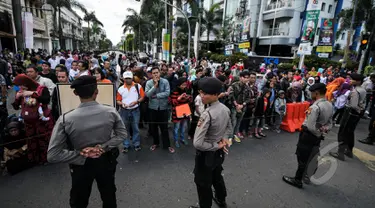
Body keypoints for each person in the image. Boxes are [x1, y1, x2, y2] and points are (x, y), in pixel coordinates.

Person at [47, 75, 127, 208]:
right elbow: (122, 134)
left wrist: (81, 154)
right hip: (105, 160)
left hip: (80, 166)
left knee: (79, 200)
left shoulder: (66, 119)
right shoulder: (111, 112)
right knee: (109, 197)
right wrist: (103, 147)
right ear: (96, 91)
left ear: (75, 93)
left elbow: (53, 155)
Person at [189, 77, 232, 208]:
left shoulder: (207, 114)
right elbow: (229, 128)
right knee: (217, 176)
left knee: (203, 183)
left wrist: (215, 145)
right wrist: (224, 140)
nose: (201, 96)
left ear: (215, 95)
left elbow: (197, 143)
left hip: (206, 154)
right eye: (200, 92)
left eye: (205, 93)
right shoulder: (225, 109)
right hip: (219, 153)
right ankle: (221, 199)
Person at [283, 83, 333, 188]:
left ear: (316, 93)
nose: (310, 95)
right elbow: (330, 123)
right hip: (318, 136)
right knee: (313, 156)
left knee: (302, 157)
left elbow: (310, 127)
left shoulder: (315, 107)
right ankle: (307, 176)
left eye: (311, 93)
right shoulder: (329, 104)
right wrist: (323, 131)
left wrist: (317, 133)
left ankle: (298, 180)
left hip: (309, 135)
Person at [12, 74, 54, 165]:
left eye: (21, 85)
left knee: (43, 139)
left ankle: (46, 158)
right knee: (32, 141)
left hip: (42, 121)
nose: (20, 87)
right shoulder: (21, 92)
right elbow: (16, 107)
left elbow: (46, 100)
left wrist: (33, 94)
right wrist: (17, 98)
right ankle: (35, 159)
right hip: (29, 123)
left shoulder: (42, 88)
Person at [330, 74, 366, 161]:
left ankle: (340, 152)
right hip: (356, 114)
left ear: (358, 81)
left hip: (350, 113)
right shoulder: (362, 90)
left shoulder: (355, 91)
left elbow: (353, 105)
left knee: (343, 132)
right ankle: (349, 151)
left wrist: (357, 109)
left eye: (352, 80)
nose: (350, 81)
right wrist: (360, 110)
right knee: (350, 132)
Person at [145, 66, 175, 153]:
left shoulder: (165, 81)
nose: (155, 75)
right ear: (151, 74)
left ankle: (167, 145)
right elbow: (147, 95)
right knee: (154, 127)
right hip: (152, 108)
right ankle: (155, 143)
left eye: (157, 73)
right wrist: (154, 86)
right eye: (154, 73)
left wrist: (156, 96)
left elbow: (167, 93)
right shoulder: (149, 83)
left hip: (163, 107)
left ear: (160, 73)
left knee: (164, 127)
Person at [117, 71, 145, 153]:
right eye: (126, 78)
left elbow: (142, 96)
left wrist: (136, 102)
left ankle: (136, 144)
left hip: (135, 110)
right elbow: (118, 100)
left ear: (132, 78)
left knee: (135, 127)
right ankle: (126, 145)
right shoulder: (121, 89)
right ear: (123, 79)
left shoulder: (138, 86)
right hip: (124, 111)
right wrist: (122, 104)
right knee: (125, 128)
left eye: (129, 78)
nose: (128, 80)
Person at [169, 77, 192, 148]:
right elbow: (172, 103)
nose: (184, 86)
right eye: (182, 85)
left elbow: (190, 102)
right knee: (176, 127)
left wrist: (188, 98)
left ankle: (182, 138)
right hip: (177, 113)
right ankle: (176, 140)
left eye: (185, 85)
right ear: (179, 85)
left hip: (185, 111)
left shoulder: (187, 90)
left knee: (183, 127)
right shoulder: (174, 91)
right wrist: (179, 98)